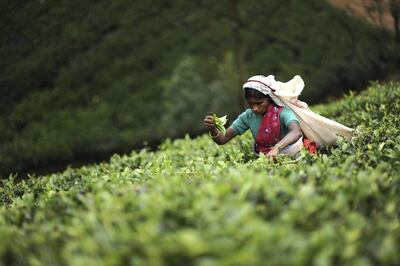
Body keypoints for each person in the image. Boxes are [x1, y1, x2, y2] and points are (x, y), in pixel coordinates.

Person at [203, 75, 306, 157]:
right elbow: (223, 139)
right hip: (263, 158)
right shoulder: (248, 116)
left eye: (259, 103)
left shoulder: (283, 112)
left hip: (292, 155)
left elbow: (296, 132)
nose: (255, 108)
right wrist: (213, 128)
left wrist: (276, 148)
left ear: (269, 99)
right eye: (251, 104)